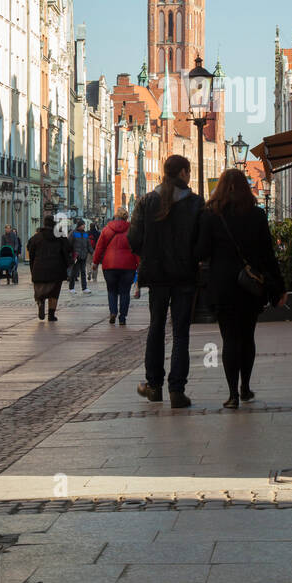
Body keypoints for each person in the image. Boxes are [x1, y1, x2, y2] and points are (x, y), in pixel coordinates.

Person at [196, 167, 286, 408]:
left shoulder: (210, 214)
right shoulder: (256, 215)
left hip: (223, 284)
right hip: (251, 285)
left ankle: (232, 394)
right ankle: (245, 387)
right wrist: (279, 287)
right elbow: (268, 253)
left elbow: (202, 252)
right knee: (247, 337)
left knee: (230, 339)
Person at [128, 154, 203, 409]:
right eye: (188, 172)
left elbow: (133, 239)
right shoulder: (195, 203)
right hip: (185, 275)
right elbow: (202, 242)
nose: (189, 176)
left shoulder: (147, 201)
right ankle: (177, 390)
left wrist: (150, 251)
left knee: (156, 327)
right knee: (181, 332)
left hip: (157, 275)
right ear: (182, 173)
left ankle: (154, 386)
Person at [92, 208, 140, 325]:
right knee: (125, 292)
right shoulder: (132, 231)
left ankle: (113, 311)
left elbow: (99, 247)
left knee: (111, 290)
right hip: (128, 265)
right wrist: (139, 264)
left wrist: (95, 262)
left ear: (115, 217)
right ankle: (122, 317)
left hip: (110, 265)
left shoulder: (106, 230)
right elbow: (137, 249)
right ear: (126, 218)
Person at [26, 214, 73, 321]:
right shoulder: (60, 236)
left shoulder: (36, 237)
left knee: (40, 290)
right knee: (54, 293)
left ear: (44, 223)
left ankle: (41, 302)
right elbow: (68, 248)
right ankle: (51, 315)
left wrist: (33, 266)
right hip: (56, 269)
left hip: (39, 269)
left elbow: (30, 249)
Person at [68, 220, 90, 293]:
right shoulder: (73, 233)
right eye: (83, 225)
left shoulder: (85, 234)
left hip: (83, 255)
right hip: (76, 256)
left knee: (83, 272)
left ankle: (84, 288)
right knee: (74, 272)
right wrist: (71, 254)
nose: (84, 226)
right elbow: (69, 244)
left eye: (84, 225)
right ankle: (71, 288)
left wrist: (93, 252)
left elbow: (88, 244)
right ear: (79, 225)